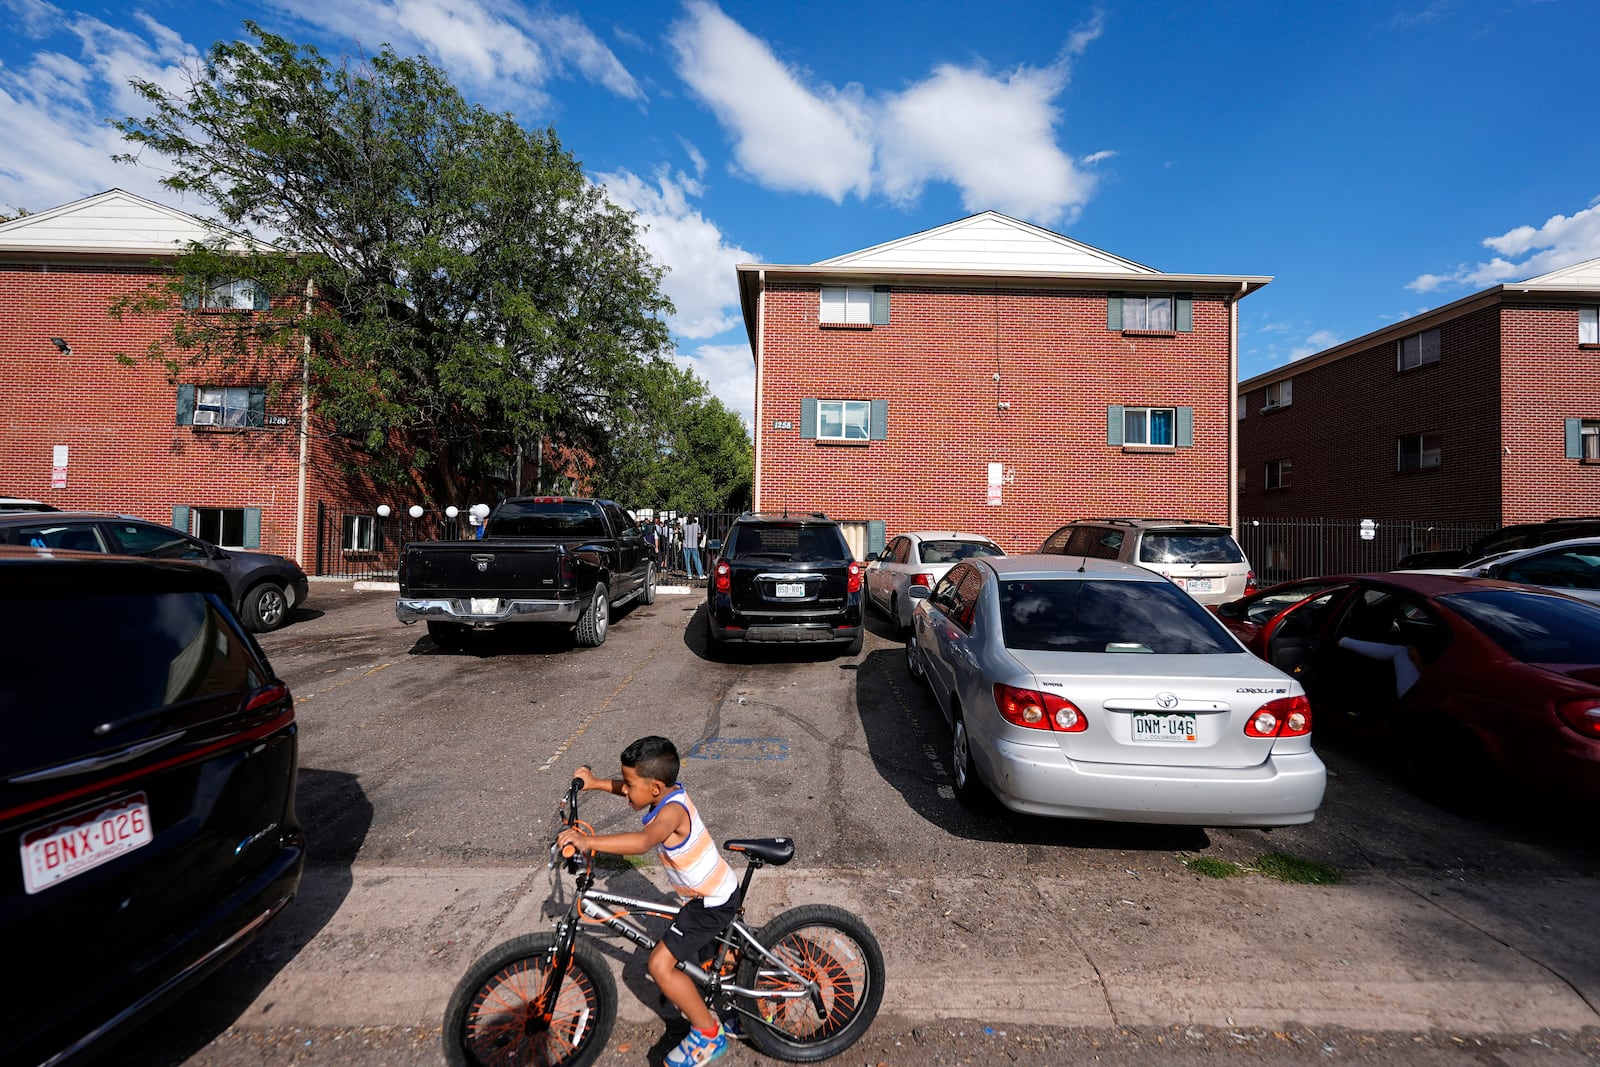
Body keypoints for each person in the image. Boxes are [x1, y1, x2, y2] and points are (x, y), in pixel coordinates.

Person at [556, 736, 738, 1067]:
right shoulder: (664, 793)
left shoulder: (670, 813)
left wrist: (587, 840)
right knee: (707, 964)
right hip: (709, 890)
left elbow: (642, 842)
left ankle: (709, 1034)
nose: (624, 790)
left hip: (708, 902)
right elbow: (631, 787)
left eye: (628, 784)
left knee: (658, 965)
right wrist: (594, 783)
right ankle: (728, 990)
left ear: (655, 788)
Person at [683, 515, 705, 579]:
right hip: (694, 544)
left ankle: (689, 574)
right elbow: (699, 535)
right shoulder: (697, 526)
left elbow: (682, 535)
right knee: (697, 560)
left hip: (686, 544)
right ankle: (700, 574)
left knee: (687, 560)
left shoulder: (684, 525)